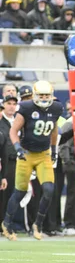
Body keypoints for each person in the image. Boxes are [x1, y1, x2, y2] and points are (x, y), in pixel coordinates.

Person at [1, 81, 61, 241]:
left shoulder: (56, 108)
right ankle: (7, 224)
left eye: (46, 95)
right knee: (19, 192)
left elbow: (54, 129)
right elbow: (13, 131)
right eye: (41, 95)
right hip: (26, 154)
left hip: (43, 154)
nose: (43, 98)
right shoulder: (27, 108)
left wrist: (54, 149)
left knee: (48, 190)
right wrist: (18, 148)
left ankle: (38, 224)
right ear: (35, 95)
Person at [0, 95, 17, 225]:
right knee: (4, 194)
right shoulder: (1, 123)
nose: (11, 106)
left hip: (19, 161)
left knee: (16, 193)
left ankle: (11, 223)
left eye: (13, 104)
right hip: (6, 162)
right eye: (9, 103)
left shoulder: (19, 121)